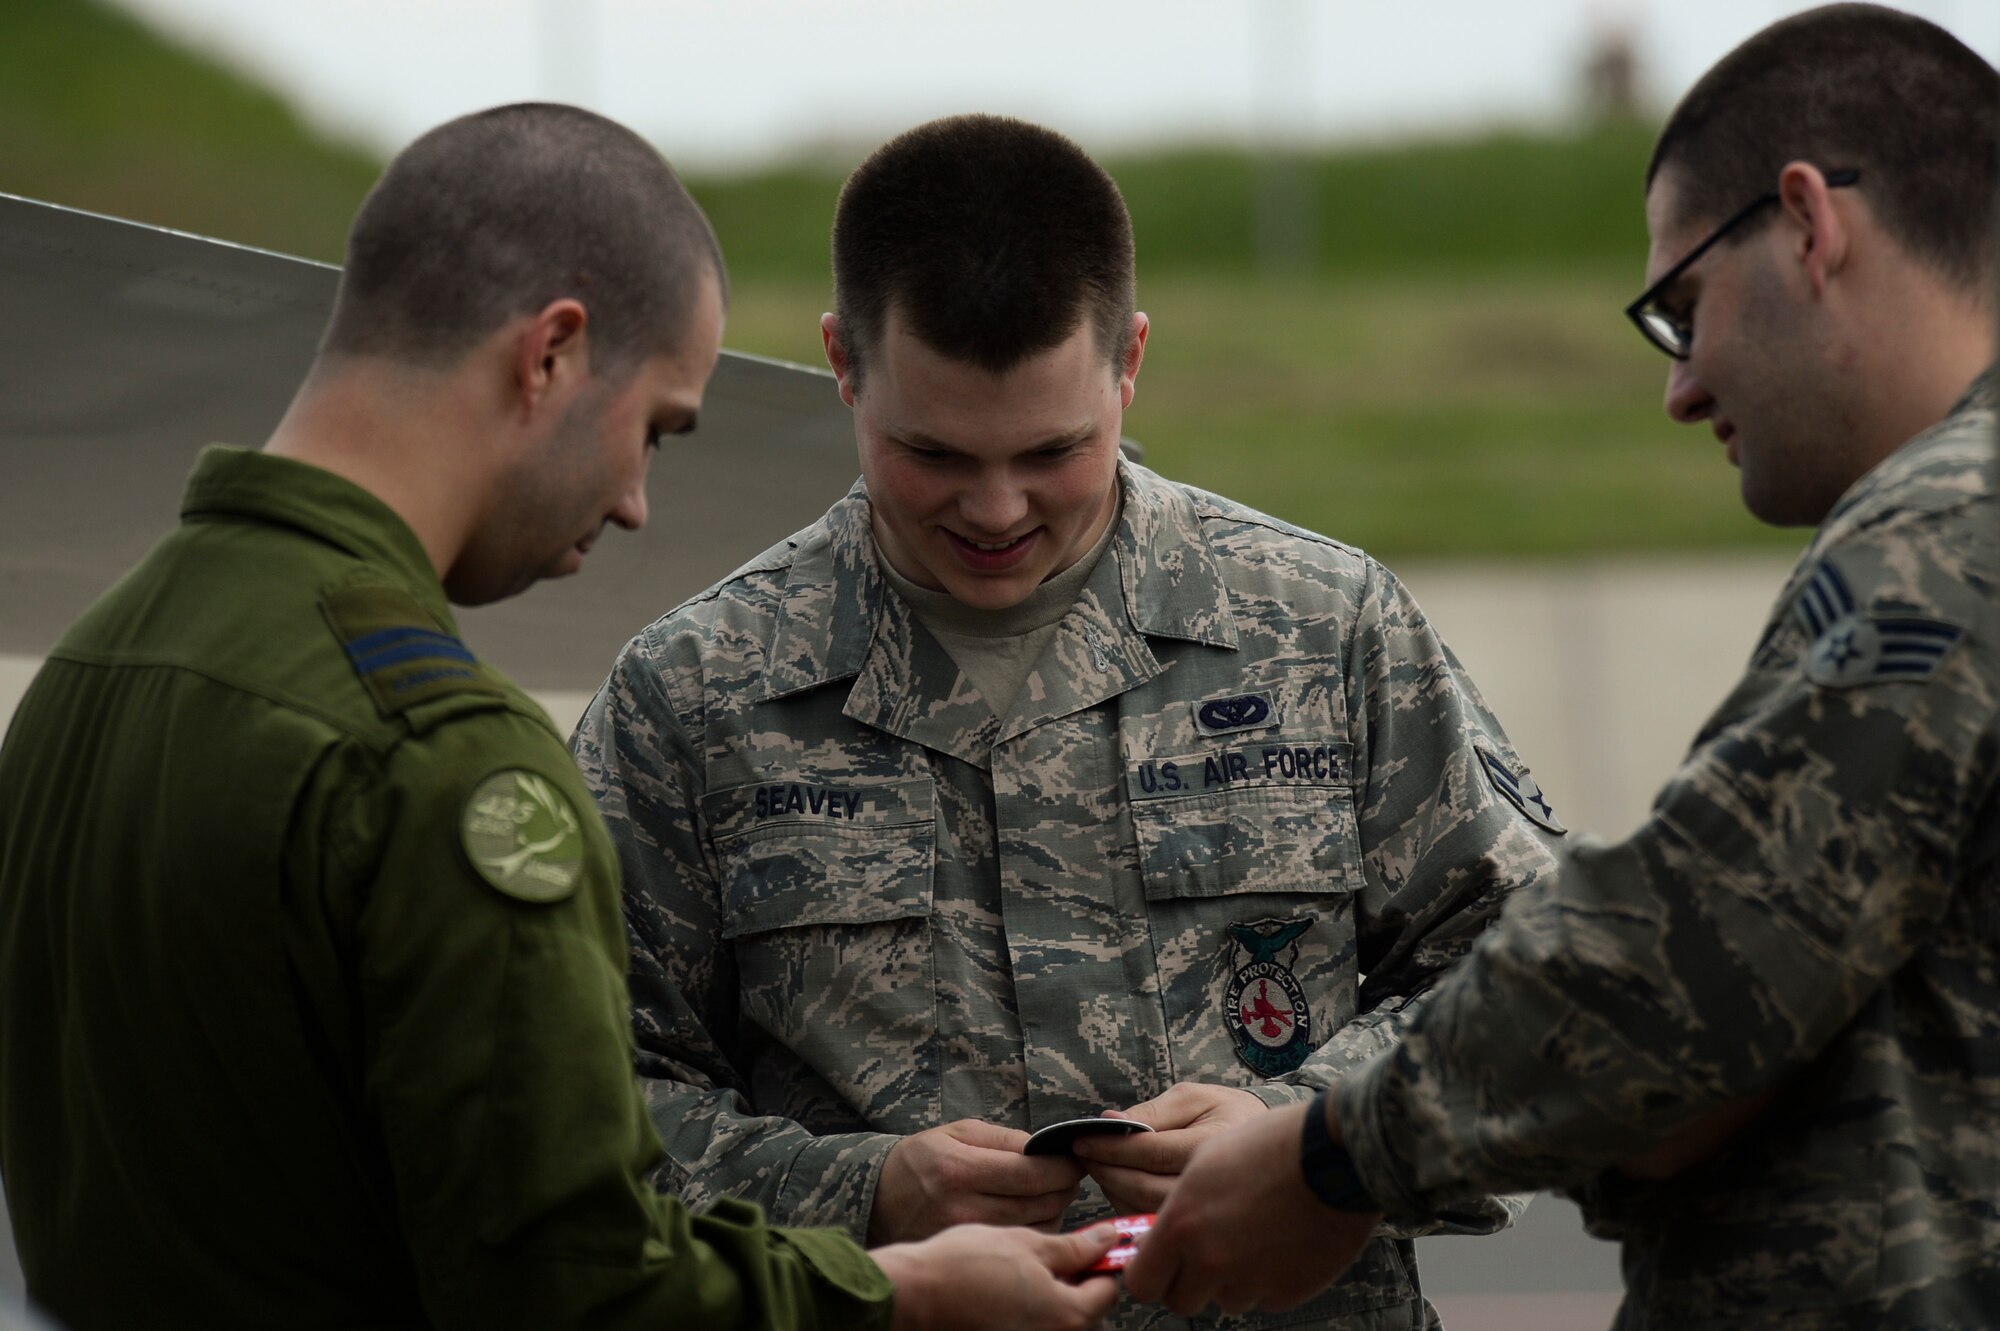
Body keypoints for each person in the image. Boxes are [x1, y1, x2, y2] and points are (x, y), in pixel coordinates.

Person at [0, 103, 1122, 1331]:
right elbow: (565, 1290)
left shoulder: (96, 667)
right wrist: (890, 1293)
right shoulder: (435, 760)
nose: (637, 500)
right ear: (549, 356)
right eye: (650, 426)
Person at [572, 112, 1567, 1330]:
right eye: (929, 451)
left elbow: (1540, 983)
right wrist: (859, 1195)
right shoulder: (694, 694)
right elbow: (583, 1106)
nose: (995, 508)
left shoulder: (1327, 628)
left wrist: (1305, 1132)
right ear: (840, 362)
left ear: (1129, 359)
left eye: (1054, 449)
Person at [1125, 7, 2000, 1327]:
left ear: (1811, 224)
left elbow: (1691, 964)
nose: (1681, 387)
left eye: (1682, 309)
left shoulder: (1949, 533)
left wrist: (1325, 1150)